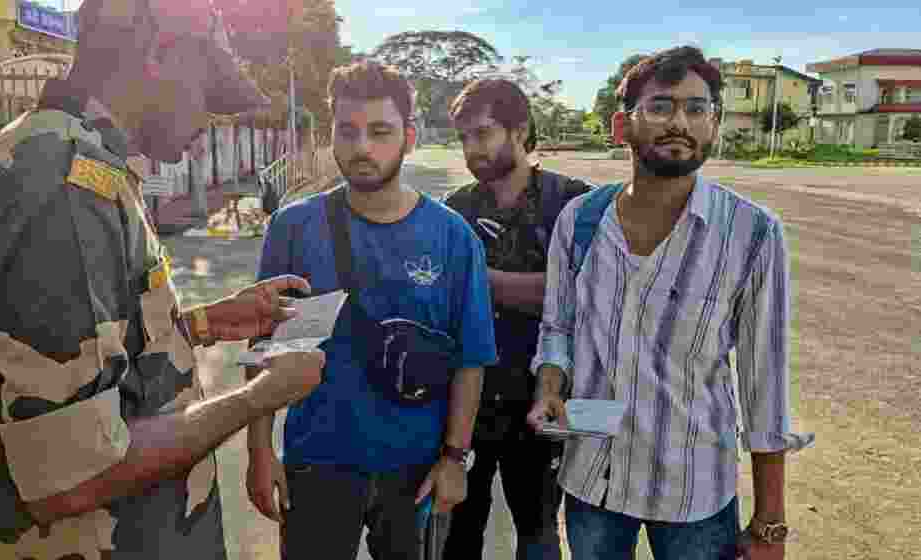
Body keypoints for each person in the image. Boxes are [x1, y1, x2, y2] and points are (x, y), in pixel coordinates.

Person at [0, 1, 325, 558]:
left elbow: (95, 352)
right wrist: (261, 395)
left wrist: (201, 323)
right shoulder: (62, 186)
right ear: (157, 52)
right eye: (208, 92)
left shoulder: (74, 162)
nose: (211, 122)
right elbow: (73, 472)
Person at [528, 46, 814, 560]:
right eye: (660, 107)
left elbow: (763, 383)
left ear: (714, 126)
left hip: (695, 488)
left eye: (696, 108)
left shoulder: (751, 233)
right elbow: (557, 327)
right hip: (594, 478)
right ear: (623, 126)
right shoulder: (580, 221)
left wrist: (770, 522)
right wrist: (550, 385)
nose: (679, 122)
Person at [244, 61, 498, 560]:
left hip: (416, 469)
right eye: (348, 131)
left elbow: (472, 357)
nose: (362, 148)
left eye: (380, 131)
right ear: (331, 134)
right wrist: (259, 451)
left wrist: (454, 458)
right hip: (316, 461)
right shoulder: (293, 228)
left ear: (409, 135)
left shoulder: (452, 237)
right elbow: (266, 345)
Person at [441, 78, 592, 560]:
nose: (471, 149)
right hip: (467, 405)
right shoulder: (456, 210)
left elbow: (583, 299)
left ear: (520, 129)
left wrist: (480, 281)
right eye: (463, 137)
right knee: (457, 535)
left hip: (543, 404)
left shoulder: (573, 205)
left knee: (539, 534)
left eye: (482, 133)